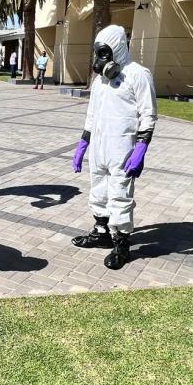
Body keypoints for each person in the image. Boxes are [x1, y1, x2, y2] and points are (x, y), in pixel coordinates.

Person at [71, 25, 157, 270]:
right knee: (98, 190)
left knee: (120, 195)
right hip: (99, 147)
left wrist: (141, 148)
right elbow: (92, 114)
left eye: (104, 53)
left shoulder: (138, 74)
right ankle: (101, 233)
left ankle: (122, 244)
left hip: (123, 148)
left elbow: (148, 114)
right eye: (97, 53)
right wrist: (83, 144)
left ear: (117, 49)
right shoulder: (100, 81)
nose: (99, 60)